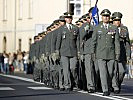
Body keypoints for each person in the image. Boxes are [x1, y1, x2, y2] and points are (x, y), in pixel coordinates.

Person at [91, 9, 120, 96]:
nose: (106, 18)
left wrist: (117, 53)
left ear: (109, 17)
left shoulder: (113, 28)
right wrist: (93, 53)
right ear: (102, 17)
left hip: (111, 54)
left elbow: (116, 42)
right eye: (104, 16)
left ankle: (109, 85)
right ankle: (105, 90)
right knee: (103, 73)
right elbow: (94, 41)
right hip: (100, 54)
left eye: (107, 16)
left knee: (110, 73)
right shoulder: (97, 28)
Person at [56, 12, 79, 91]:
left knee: (73, 68)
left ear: (72, 19)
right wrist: (57, 52)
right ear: (65, 19)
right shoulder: (61, 29)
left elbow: (77, 41)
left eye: (70, 18)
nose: (69, 19)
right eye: (67, 18)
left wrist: (78, 51)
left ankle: (72, 82)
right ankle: (67, 85)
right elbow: (58, 41)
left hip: (73, 52)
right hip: (64, 52)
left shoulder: (75, 28)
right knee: (66, 70)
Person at [112, 12, 131, 91]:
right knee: (113, 72)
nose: (117, 22)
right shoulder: (110, 28)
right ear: (113, 21)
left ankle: (118, 84)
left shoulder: (124, 29)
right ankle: (115, 87)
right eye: (115, 20)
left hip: (122, 54)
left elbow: (127, 42)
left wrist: (128, 54)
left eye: (118, 20)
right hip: (112, 53)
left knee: (122, 72)